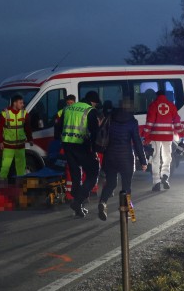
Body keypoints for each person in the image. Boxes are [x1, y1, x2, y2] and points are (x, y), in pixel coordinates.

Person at [97, 98, 148, 221]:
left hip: (110, 156)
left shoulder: (111, 118)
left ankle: (103, 202)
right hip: (125, 157)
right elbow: (137, 142)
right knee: (126, 186)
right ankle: (128, 212)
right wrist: (143, 161)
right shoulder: (132, 122)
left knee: (111, 183)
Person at [55, 90, 101, 218]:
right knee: (93, 173)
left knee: (76, 175)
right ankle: (78, 202)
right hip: (82, 145)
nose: (95, 106)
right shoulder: (89, 110)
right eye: (95, 104)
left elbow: (58, 128)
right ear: (92, 102)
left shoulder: (68, 108)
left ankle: (78, 207)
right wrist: (95, 148)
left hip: (67, 145)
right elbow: (95, 132)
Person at [143, 90, 181, 191]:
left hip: (155, 136)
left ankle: (156, 182)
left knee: (156, 158)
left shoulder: (153, 105)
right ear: (164, 95)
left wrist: (146, 136)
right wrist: (180, 132)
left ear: (157, 96)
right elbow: (177, 121)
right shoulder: (171, 105)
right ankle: (165, 176)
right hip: (168, 136)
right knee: (167, 157)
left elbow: (150, 122)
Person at [0, 95, 34, 181]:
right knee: (5, 168)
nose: (23, 105)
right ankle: (1, 187)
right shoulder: (5, 113)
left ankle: (20, 187)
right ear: (14, 103)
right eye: (20, 103)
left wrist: (30, 139)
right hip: (8, 146)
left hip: (20, 146)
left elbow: (28, 128)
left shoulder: (24, 113)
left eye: (22, 103)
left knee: (21, 168)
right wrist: (0, 142)